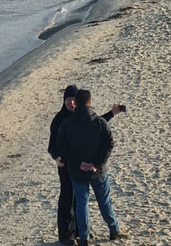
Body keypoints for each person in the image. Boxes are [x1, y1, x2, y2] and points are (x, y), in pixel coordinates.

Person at [49, 86, 122, 245]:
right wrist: (58, 158)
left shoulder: (72, 123)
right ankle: (70, 235)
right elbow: (57, 146)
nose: (71, 103)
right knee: (70, 200)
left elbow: (95, 126)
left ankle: (83, 235)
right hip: (70, 168)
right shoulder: (61, 121)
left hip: (79, 169)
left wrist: (88, 164)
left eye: (73, 100)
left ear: (78, 102)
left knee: (81, 203)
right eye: (68, 100)